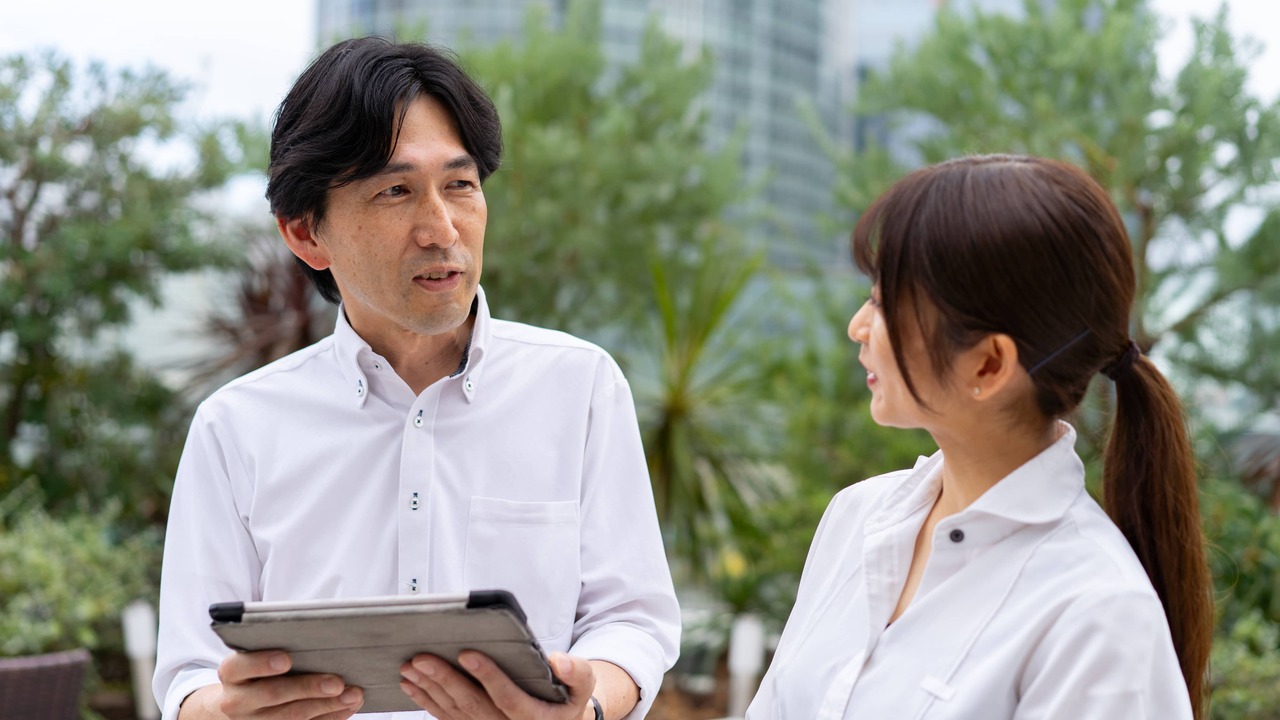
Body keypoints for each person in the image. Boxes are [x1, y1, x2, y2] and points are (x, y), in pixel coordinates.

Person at [153, 37, 680, 720]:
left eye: (460, 185)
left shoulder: (579, 388)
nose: (442, 228)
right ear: (305, 233)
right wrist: (226, 711)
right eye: (397, 191)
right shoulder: (238, 427)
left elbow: (632, 622)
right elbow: (190, 673)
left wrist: (585, 710)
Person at [746, 155, 1213, 719]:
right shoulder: (857, 517)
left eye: (883, 302)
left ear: (989, 365)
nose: (858, 326)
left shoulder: (1099, 616)